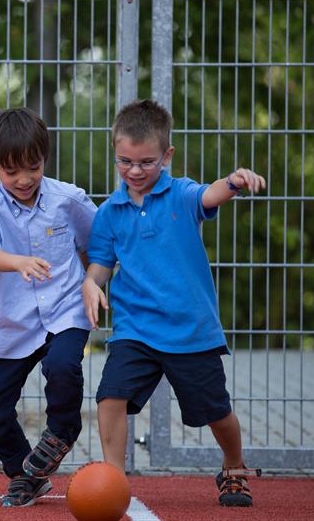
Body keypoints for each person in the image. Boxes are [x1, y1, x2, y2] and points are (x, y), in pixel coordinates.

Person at [83, 98, 266, 507]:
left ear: (167, 155)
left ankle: (234, 465)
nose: (134, 171)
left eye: (146, 162)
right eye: (124, 161)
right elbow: (99, 265)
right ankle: (113, 477)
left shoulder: (181, 194)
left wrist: (234, 181)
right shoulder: (109, 212)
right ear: (115, 153)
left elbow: (211, 196)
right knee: (109, 397)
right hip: (136, 330)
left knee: (217, 412)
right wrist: (91, 285)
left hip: (190, 329)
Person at [0, 107, 98, 508]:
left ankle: (62, 429)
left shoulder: (69, 200)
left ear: (44, 159)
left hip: (65, 310)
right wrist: (18, 261)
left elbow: (99, 246)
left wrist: (93, 281)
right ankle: (27, 472)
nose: (24, 179)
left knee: (61, 366)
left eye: (33, 167)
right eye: (12, 172)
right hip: (15, 321)